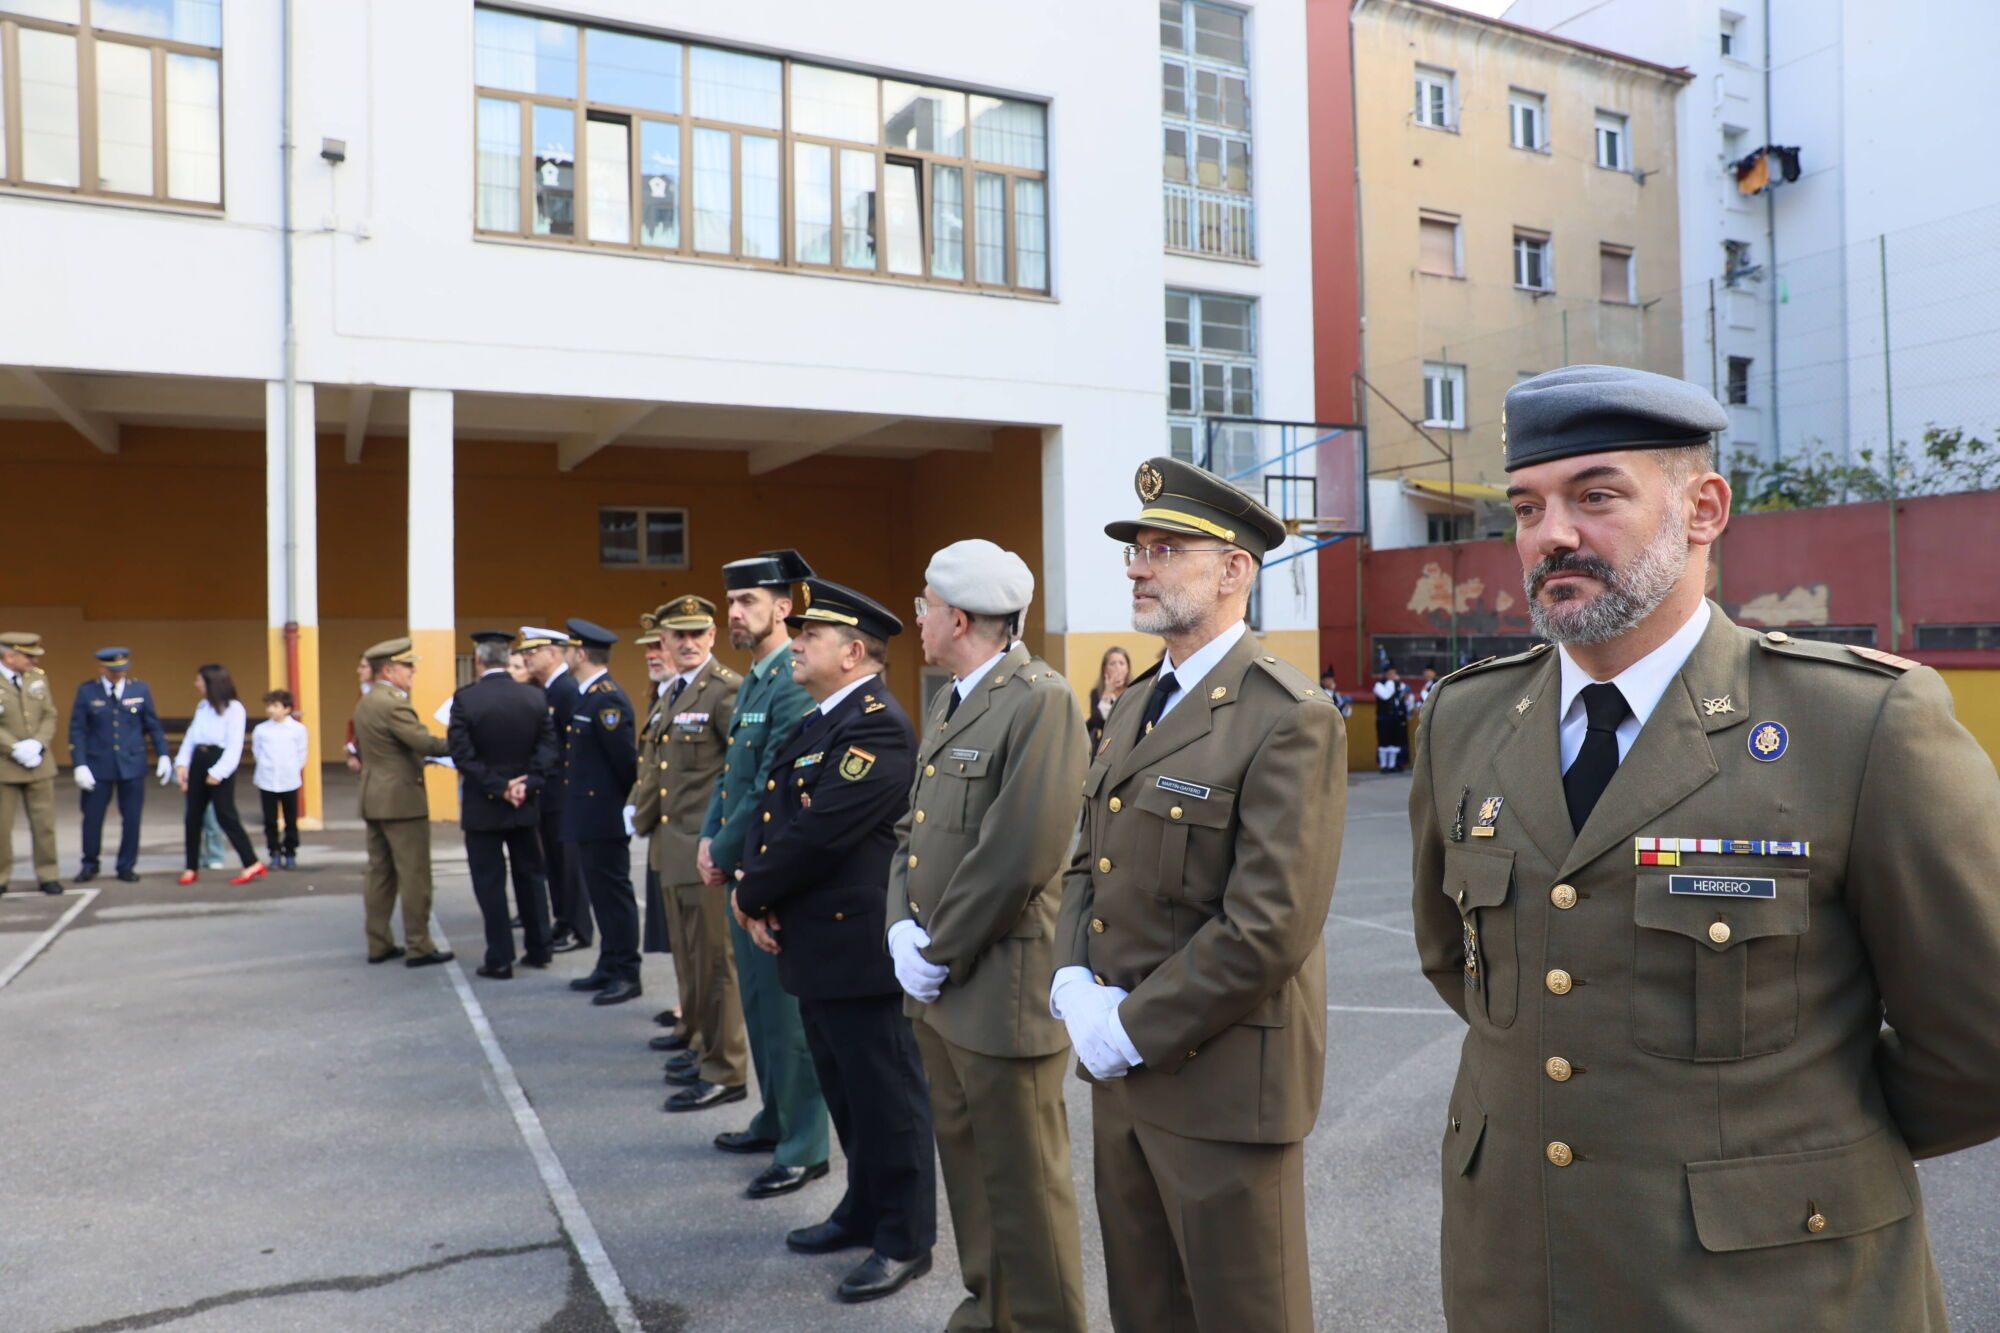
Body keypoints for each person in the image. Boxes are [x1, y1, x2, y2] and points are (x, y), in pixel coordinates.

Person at [1411, 366, 2000, 1327]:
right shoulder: (1465, 721)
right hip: (1518, 1271)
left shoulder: (1858, 722)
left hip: (1773, 1288)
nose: (1551, 534)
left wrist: (1803, 1142)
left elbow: (1980, 1043)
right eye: (1527, 507)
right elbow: (1462, 965)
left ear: (1704, 508)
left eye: (1595, 496)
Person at [1053, 457, 1346, 1333]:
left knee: (1244, 1315)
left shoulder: (1288, 714)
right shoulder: (1138, 700)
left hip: (1220, 1086)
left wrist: (1126, 1028)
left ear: (1233, 570)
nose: (1138, 567)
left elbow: (1267, 927)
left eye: (1164, 549)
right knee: (1146, 1310)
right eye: (1137, 549)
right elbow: (1088, 861)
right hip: (1123, 1076)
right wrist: (1071, 979)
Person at [889, 539, 1091, 1332]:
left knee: (1027, 1200)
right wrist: (898, 926)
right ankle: (989, 1313)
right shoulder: (952, 698)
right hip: (942, 991)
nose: (917, 616)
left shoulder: (1040, 701)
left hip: (999, 993)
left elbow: (1019, 856)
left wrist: (934, 951)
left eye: (926, 605)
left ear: (960, 618)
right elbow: (912, 833)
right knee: (973, 1186)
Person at [734, 577, 935, 1305]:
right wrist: (757, 887)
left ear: (853, 653)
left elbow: (820, 833)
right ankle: (862, 1208)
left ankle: (905, 1237)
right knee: (848, 1093)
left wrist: (752, 892)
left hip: (858, 949)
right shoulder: (821, 720)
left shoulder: (876, 725)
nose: (795, 645)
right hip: (817, 943)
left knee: (887, 1097)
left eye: (809, 636)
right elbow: (772, 811)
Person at [698, 550, 832, 1200]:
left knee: (788, 1021)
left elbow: (771, 786)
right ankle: (774, 1117)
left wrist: (722, 849)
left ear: (783, 608)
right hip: (743, 871)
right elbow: (732, 776)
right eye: (731, 602)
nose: (734, 612)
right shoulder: (755, 680)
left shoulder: (789, 682)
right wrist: (709, 837)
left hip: (772, 874)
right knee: (757, 1007)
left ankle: (805, 1145)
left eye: (747, 600)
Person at [628, 597, 750, 1112]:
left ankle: (726, 1068)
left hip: (704, 852)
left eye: (697, 633)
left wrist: (724, 843)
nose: (687, 643)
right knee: (690, 959)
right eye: (677, 635)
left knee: (716, 965)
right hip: (671, 848)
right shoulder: (674, 691)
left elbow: (739, 773)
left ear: (712, 636)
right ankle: (701, 1043)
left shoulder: (724, 690)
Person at [448, 629, 557, 979]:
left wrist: (497, 787)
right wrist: (526, 783)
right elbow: (549, 748)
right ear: (509, 658)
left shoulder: (466, 699)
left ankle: (500, 957)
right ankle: (539, 948)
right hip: (524, 803)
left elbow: (462, 754)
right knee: (531, 877)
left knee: (490, 883)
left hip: (483, 806)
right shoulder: (534, 697)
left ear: (478, 660)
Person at [351, 637, 451, 966]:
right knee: (414, 875)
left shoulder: (367, 701)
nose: (412, 672)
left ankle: (378, 943)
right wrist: (462, 740)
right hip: (401, 800)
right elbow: (423, 742)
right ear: (389, 670)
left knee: (379, 874)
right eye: (407, 667)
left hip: (374, 796)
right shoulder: (394, 703)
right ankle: (419, 945)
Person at [562, 618, 642, 1007]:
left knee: (614, 898)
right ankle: (609, 964)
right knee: (601, 896)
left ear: (580, 654)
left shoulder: (607, 699)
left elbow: (626, 763)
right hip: (589, 816)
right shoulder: (588, 695)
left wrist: (621, 810)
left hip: (604, 817)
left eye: (567, 649)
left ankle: (627, 972)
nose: (564, 655)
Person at [68, 645, 172, 883]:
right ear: (102, 668)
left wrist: (163, 754)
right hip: (98, 764)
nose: (118, 674)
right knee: (92, 818)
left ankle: (126, 865)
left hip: (132, 763)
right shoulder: (88, 691)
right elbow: (77, 730)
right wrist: (79, 764)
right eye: (113, 670)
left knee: (132, 818)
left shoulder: (140, 689)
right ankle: (89, 863)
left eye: (122, 669)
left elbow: (153, 725)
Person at [520, 626, 592, 954]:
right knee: (554, 863)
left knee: (567, 865)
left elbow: (570, 746)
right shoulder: (550, 689)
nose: (526, 658)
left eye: (532, 652)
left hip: (562, 791)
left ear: (552, 653)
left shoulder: (564, 689)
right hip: (550, 792)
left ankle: (576, 927)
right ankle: (563, 920)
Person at [172, 664, 266, 887]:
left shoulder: (234, 709)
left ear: (212, 683)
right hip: (199, 759)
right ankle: (191, 866)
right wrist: (182, 763)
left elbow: (234, 746)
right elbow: (191, 737)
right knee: (193, 816)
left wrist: (219, 772)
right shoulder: (203, 706)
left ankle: (251, 862)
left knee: (226, 815)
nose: (196, 684)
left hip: (219, 760)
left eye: (200, 681)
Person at [0, 631, 63, 896]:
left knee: (44, 825)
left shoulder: (37, 677)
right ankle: (1, 877)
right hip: (5, 766)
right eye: (28, 656)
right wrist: (14, 748)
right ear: (9, 657)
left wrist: (38, 743)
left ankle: (48, 874)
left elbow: (50, 714)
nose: (34, 661)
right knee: (2, 827)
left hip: (39, 764)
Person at [251, 689, 310, 870]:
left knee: (290, 819)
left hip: (289, 780)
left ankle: (290, 851)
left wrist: (292, 769)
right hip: (267, 780)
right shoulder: (261, 730)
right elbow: (257, 751)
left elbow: (302, 753)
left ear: (287, 709)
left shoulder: (297, 729)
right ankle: (274, 851)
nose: (271, 709)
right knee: (270, 820)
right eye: (269, 706)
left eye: (275, 706)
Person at [1086, 645, 1131, 757]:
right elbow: (1097, 722)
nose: (1117, 667)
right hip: (1106, 748)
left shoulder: (1134, 690)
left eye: (1121, 663)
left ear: (1128, 668)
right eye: (1112, 664)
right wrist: (1107, 693)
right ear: (1105, 669)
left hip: (1128, 747)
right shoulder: (1097, 692)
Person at [1373, 666, 1412, 772]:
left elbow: (1406, 697)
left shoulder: (1398, 685)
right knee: (1384, 741)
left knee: (1394, 741)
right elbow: (1386, 696)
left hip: (1395, 718)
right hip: (1383, 717)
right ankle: (1383, 765)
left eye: (1394, 673)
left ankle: (1392, 765)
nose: (1392, 676)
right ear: (1385, 674)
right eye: (1390, 673)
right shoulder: (1379, 685)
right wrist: (1392, 683)